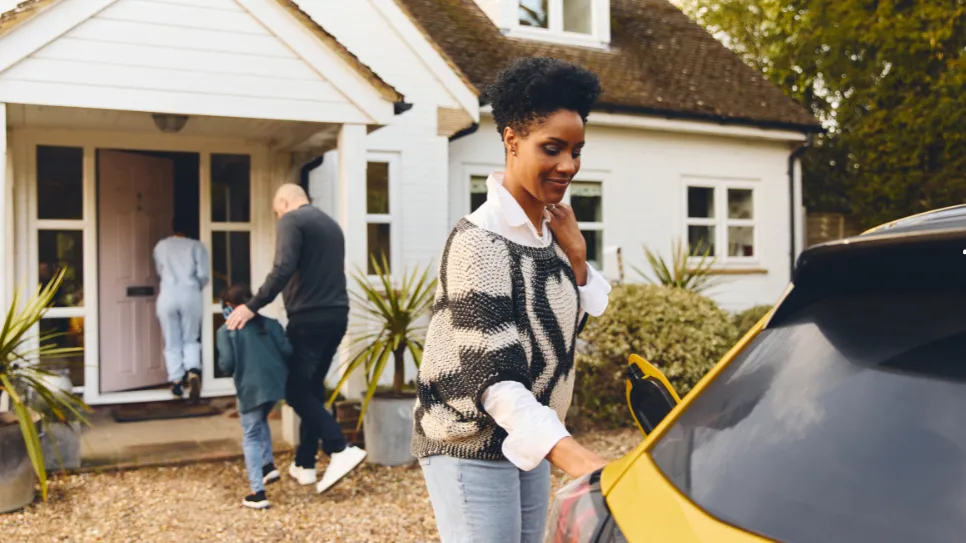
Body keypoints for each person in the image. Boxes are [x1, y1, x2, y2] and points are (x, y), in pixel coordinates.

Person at [412, 57, 612, 543]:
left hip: (528, 435)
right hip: (469, 437)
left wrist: (578, 257)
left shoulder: (549, 237)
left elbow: (559, 337)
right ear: (511, 140)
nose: (568, 165)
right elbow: (493, 377)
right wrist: (579, 460)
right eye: (553, 148)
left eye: (577, 151)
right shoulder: (479, 241)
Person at [224, 183, 367, 495]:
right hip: (337, 316)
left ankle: (340, 449)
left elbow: (282, 268)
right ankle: (305, 464)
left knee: (295, 391)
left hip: (309, 320)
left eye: (277, 213)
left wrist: (251, 306)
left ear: (285, 203)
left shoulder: (291, 220)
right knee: (312, 390)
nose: (278, 219)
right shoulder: (330, 225)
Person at [217, 283, 290, 509]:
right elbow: (288, 352)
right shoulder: (272, 324)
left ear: (229, 307)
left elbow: (227, 364)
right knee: (260, 421)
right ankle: (268, 465)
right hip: (276, 386)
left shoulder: (226, 330)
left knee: (250, 435)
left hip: (250, 387)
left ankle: (257, 492)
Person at [153, 215, 209, 400]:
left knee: (171, 340)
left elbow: (159, 270)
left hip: (168, 295)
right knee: (190, 337)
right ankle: (192, 369)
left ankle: (176, 380)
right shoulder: (196, 246)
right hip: (189, 293)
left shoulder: (161, 246)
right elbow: (203, 274)